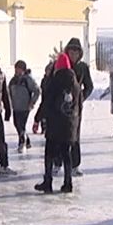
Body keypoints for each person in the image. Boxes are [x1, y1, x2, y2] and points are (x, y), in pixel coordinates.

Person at [32, 59, 77, 193]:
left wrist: (37, 119)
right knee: (66, 154)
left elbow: (47, 103)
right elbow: (78, 104)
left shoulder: (55, 82)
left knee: (49, 154)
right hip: (69, 124)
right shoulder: (75, 84)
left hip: (55, 124)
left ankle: (48, 182)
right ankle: (68, 183)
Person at [63, 39, 96, 175]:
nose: (73, 54)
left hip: (76, 108)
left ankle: (75, 165)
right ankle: (58, 162)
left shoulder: (82, 67)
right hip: (62, 106)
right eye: (71, 51)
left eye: (76, 52)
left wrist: (81, 97)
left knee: (75, 136)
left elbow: (89, 86)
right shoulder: (63, 65)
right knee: (60, 136)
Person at [8, 60, 41, 152]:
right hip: (16, 107)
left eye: (19, 69)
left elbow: (37, 91)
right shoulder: (13, 80)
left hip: (25, 107)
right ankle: (27, 141)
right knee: (17, 124)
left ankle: (22, 143)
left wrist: (32, 102)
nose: (17, 71)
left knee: (21, 125)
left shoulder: (28, 79)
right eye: (16, 68)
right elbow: (9, 91)